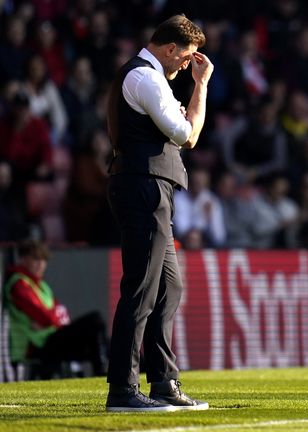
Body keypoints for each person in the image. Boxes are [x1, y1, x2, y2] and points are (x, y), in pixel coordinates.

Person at [105, 15, 212, 412]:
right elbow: (189, 135)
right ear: (169, 49)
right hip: (142, 186)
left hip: (149, 187)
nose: (186, 65)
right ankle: (123, 389)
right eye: (185, 59)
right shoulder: (147, 79)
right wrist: (201, 85)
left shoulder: (144, 79)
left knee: (168, 288)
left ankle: (164, 382)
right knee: (141, 290)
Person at [3, 240, 107, 379]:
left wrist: (52, 318)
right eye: (36, 258)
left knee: (103, 340)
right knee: (95, 320)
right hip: (35, 346)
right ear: (23, 259)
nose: (41, 264)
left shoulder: (41, 285)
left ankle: (119, 372)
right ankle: (101, 372)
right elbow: (46, 316)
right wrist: (53, 318)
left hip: (49, 337)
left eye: (44, 259)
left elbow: (60, 313)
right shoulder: (19, 284)